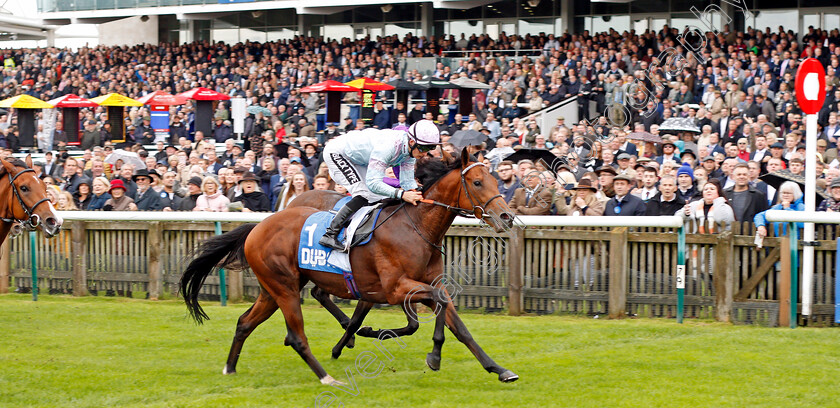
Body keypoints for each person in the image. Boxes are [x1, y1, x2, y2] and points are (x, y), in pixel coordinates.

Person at [318, 120, 439, 250]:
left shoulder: (410, 153)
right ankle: (330, 233)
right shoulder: (389, 147)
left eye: (431, 148)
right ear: (411, 142)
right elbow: (373, 183)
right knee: (364, 193)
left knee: (375, 197)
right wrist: (402, 194)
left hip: (360, 160)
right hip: (338, 153)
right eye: (424, 148)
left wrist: (419, 193)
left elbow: (407, 183)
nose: (425, 153)